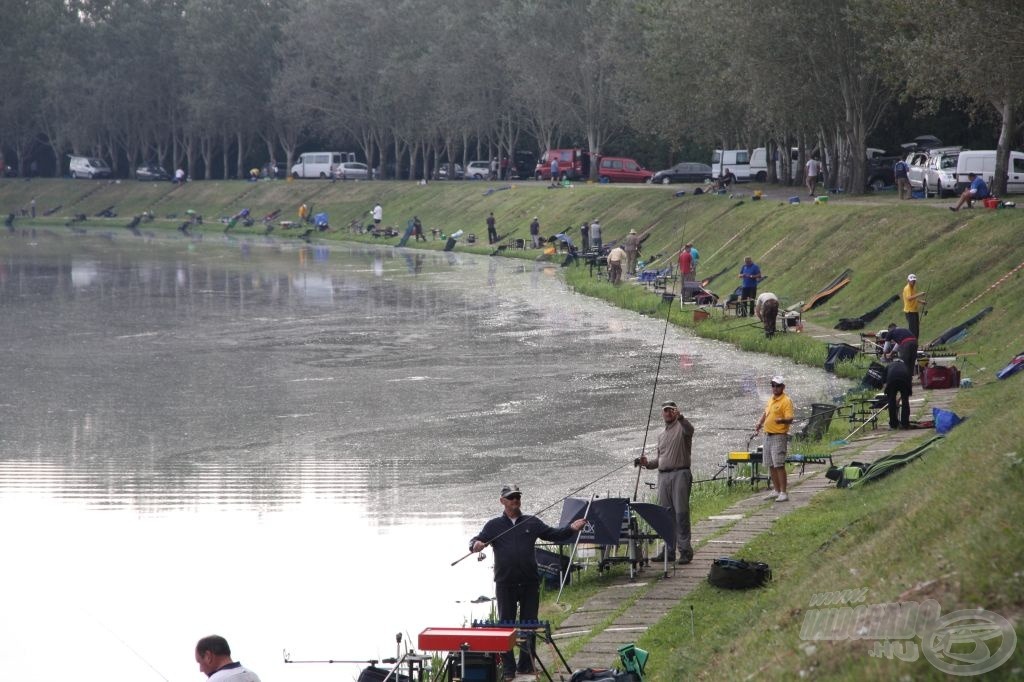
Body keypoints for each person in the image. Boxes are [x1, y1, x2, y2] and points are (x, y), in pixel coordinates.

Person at [470, 486, 586, 680]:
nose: (515, 500)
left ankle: (526, 666)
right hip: (505, 583)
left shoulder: (532, 522)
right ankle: (508, 669)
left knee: (529, 625)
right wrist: (475, 545)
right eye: (511, 497)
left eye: (517, 497)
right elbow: (476, 540)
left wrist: (572, 528)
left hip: (530, 583)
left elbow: (554, 534)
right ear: (503, 501)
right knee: (505, 627)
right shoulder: (493, 525)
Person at [638, 400, 696, 564]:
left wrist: (682, 417)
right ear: (662, 413)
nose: (668, 413)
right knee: (666, 515)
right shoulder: (661, 435)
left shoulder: (682, 428)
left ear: (676, 412)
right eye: (666, 410)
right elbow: (661, 459)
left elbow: (690, 429)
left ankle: (685, 550)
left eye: (671, 410)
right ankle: (668, 550)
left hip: (680, 473)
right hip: (663, 476)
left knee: (681, 513)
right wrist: (647, 464)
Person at [754, 376, 794, 502]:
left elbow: (790, 419)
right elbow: (766, 413)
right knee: (770, 464)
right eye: (773, 385)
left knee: (779, 465)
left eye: (777, 385)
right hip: (767, 435)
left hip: (779, 436)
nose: (775, 388)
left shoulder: (786, 401)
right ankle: (776, 490)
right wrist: (760, 423)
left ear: (783, 387)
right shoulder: (771, 399)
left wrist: (781, 420)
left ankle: (783, 492)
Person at [195, 635, 261, 681]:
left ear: (208, 656)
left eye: (200, 662)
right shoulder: (253, 676)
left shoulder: (216, 680)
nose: (201, 669)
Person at [883, 357, 912, 430]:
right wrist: (902, 397)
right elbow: (909, 380)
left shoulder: (889, 365)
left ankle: (893, 424)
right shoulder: (905, 366)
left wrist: (890, 395)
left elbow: (884, 381)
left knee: (891, 402)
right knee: (905, 401)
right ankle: (905, 424)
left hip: (892, 380)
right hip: (904, 380)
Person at [902, 274, 926, 339]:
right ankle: (912, 343)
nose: (913, 282)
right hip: (909, 311)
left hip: (914, 311)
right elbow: (909, 298)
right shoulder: (907, 288)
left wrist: (921, 302)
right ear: (908, 280)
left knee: (917, 329)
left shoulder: (913, 288)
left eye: (914, 281)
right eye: (912, 281)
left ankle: (915, 343)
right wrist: (920, 294)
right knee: (913, 329)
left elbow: (913, 298)